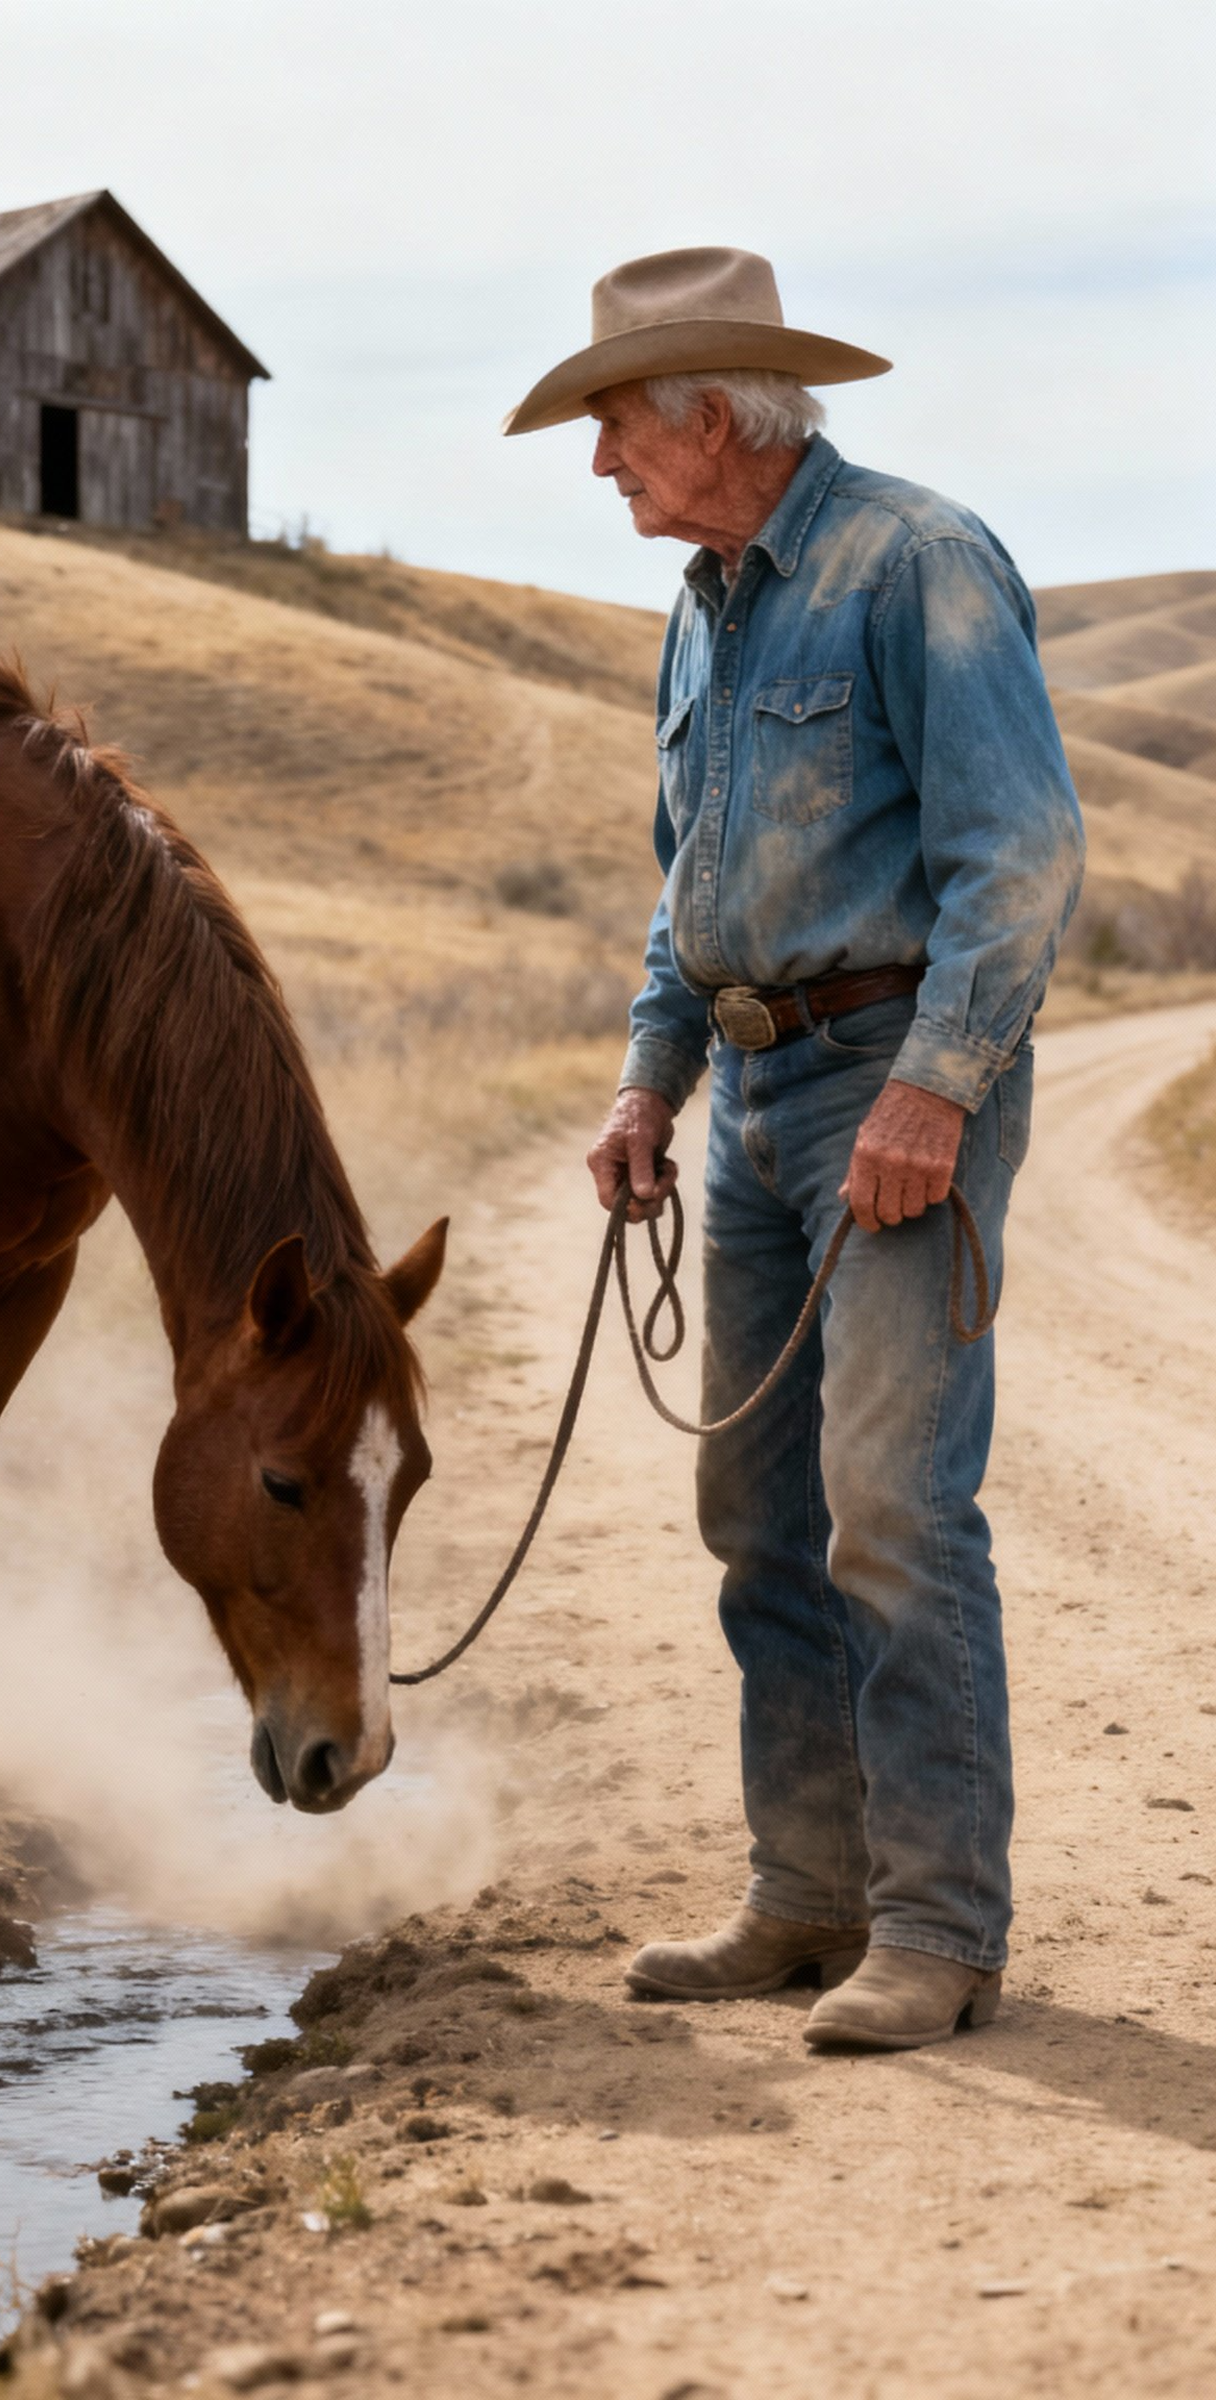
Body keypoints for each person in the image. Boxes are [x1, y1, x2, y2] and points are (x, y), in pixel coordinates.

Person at [503, 247, 1083, 2050]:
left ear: (707, 413)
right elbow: (693, 896)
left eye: (613, 427)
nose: (601, 464)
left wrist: (939, 1086)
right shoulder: (705, 604)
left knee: (894, 1517)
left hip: (897, 1085)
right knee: (756, 1516)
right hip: (752, 1102)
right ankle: (807, 1895)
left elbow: (1024, 854)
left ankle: (937, 1926)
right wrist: (644, 1088)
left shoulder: (916, 560)